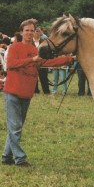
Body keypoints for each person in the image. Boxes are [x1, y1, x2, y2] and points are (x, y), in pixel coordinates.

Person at [2, 18, 74, 166]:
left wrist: (68, 59)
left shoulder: (35, 49)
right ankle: (20, 159)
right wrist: (32, 59)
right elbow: (10, 65)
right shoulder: (15, 47)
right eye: (26, 30)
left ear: (35, 32)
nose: (29, 33)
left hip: (26, 93)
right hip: (13, 92)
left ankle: (6, 156)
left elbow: (45, 63)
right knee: (15, 127)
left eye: (32, 30)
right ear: (21, 32)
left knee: (17, 127)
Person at [33, 27, 50, 94]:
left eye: (38, 31)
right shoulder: (30, 41)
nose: (37, 33)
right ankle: (35, 91)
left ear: (40, 32)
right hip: (33, 63)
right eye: (36, 31)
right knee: (34, 78)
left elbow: (47, 52)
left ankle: (46, 91)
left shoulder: (44, 41)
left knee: (44, 77)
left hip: (43, 62)